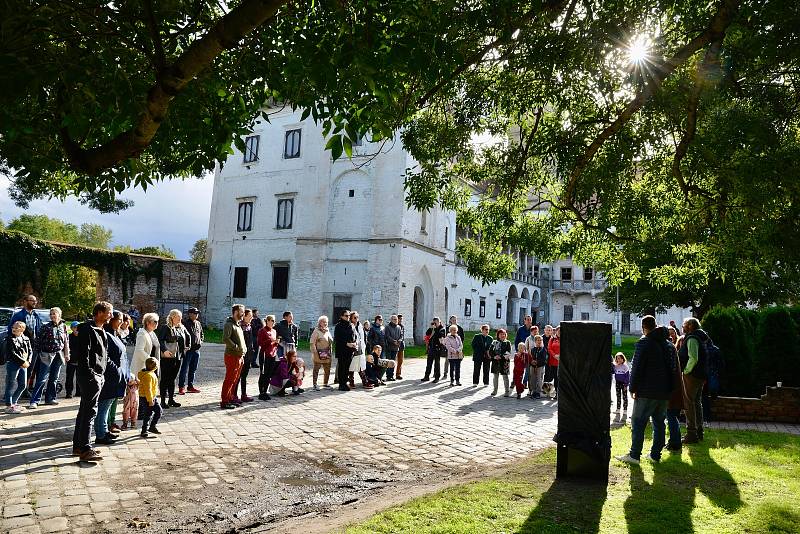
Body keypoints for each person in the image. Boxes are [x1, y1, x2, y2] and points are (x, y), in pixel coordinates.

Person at [616, 316, 674, 465]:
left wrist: (632, 387)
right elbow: (672, 368)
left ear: (644, 328)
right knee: (659, 422)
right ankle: (655, 455)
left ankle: (634, 455)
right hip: (664, 390)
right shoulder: (668, 344)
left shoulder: (644, 343)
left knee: (638, 421)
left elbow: (637, 368)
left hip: (647, 390)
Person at [72, 301, 113, 462]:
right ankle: (86, 448)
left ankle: (78, 446)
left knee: (84, 411)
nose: (110, 315)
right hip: (90, 377)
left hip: (98, 376)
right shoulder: (86, 329)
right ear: (99, 312)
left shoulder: (102, 329)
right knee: (90, 412)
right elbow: (84, 356)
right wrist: (92, 376)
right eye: (108, 312)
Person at [96, 312, 128, 445]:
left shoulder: (115, 334)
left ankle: (104, 430)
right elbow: (105, 357)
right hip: (110, 376)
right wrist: (117, 371)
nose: (121, 322)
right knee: (104, 406)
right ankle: (101, 434)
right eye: (119, 320)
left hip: (117, 377)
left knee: (108, 406)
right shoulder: (106, 334)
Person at [29, 307, 70, 408]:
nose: (52, 316)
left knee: (54, 378)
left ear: (59, 315)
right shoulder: (45, 327)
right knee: (42, 378)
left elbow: (66, 341)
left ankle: (50, 398)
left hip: (58, 355)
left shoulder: (63, 326)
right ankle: (34, 401)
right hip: (46, 355)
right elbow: (38, 342)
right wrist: (38, 355)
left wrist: (67, 354)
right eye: (51, 314)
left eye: (54, 314)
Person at [679, 317, 709, 444]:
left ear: (690, 326)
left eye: (684, 324)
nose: (682, 326)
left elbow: (693, 358)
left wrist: (686, 371)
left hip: (692, 375)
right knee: (696, 402)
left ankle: (691, 433)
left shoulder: (692, 338)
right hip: (700, 375)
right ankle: (699, 431)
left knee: (688, 403)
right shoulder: (700, 337)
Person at [157, 309, 190, 409]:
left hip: (178, 356)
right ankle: (162, 401)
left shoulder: (181, 327)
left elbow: (187, 337)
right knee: (165, 379)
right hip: (167, 357)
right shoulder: (165, 327)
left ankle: (171, 399)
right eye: (177, 316)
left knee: (172, 379)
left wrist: (186, 347)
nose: (180, 318)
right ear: (172, 317)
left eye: (180, 316)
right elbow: (160, 340)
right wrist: (164, 350)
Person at [4, 321, 33, 413]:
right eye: (13, 327)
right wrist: (22, 362)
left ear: (22, 329)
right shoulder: (10, 339)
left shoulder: (26, 338)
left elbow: (30, 351)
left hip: (24, 365)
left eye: (16, 328)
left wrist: (28, 361)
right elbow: (12, 353)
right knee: (10, 384)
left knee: (23, 385)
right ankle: (9, 405)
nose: (14, 329)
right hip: (13, 364)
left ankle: (14, 402)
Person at [221, 305, 246, 409]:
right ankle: (225, 401)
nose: (243, 314)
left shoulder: (238, 325)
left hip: (239, 357)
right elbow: (225, 338)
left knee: (235, 379)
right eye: (241, 312)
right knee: (229, 379)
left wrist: (242, 351)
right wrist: (236, 347)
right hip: (232, 356)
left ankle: (230, 398)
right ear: (236, 312)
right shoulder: (229, 324)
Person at [665, 330, 684, 452]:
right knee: (672, 416)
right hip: (674, 386)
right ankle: (675, 441)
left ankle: (675, 442)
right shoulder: (671, 347)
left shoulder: (668, 348)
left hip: (671, 388)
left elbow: (669, 369)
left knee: (671, 415)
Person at [179, 307, 204, 394]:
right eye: (194, 313)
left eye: (197, 313)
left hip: (196, 350)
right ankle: (181, 386)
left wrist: (201, 341)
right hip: (188, 350)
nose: (196, 315)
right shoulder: (185, 323)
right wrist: (185, 347)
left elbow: (201, 334)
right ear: (190, 314)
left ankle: (190, 386)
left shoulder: (198, 323)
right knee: (184, 369)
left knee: (193, 369)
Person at [138, 357, 163, 438]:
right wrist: (150, 400)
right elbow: (147, 389)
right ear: (155, 367)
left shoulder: (150, 373)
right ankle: (144, 430)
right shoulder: (148, 376)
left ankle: (152, 426)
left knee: (158, 411)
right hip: (147, 398)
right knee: (148, 414)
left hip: (151, 397)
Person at [257, 315, 279, 400]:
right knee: (263, 373)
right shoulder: (262, 331)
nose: (273, 322)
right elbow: (260, 343)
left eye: (274, 321)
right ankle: (261, 392)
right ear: (267, 321)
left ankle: (265, 391)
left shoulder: (274, 331)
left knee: (269, 374)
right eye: (271, 320)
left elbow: (274, 344)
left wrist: (276, 342)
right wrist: (270, 341)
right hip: (264, 354)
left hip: (272, 354)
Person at [334, 310, 357, 391]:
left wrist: (354, 343)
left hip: (350, 350)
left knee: (347, 367)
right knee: (342, 367)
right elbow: (337, 339)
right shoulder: (338, 326)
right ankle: (341, 384)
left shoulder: (351, 325)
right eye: (346, 316)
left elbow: (354, 336)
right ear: (341, 316)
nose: (348, 317)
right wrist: (347, 344)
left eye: (348, 316)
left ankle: (345, 382)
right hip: (342, 350)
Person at [309, 315, 334, 390]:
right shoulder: (316, 331)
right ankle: (315, 384)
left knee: (327, 369)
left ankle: (325, 383)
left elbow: (330, 340)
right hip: (318, 353)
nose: (325, 323)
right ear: (319, 322)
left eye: (326, 322)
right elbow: (312, 342)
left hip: (327, 353)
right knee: (316, 369)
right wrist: (315, 352)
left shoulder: (327, 330)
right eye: (323, 322)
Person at [237, 309, 256, 402]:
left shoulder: (249, 326)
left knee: (244, 376)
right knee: (238, 376)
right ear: (244, 316)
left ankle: (243, 394)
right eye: (250, 316)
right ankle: (234, 395)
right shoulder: (240, 326)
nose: (252, 317)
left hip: (248, 355)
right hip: (242, 354)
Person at [421, 317, 447, 382]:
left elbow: (441, 336)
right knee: (429, 363)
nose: (435, 324)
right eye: (434, 322)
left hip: (437, 348)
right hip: (431, 348)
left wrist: (435, 329)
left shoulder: (442, 329)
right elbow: (427, 334)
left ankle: (437, 377)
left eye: (436, 322)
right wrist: (431, 328)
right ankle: (426, 376)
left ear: (439, 322)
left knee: (437, 363)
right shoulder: (432, 328)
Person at [490, 329, 512, 397]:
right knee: (495, 376)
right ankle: (495, 390)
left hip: (504, 362)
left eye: (504, 334)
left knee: (505, 377)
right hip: (495, 362)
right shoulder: (494, 342)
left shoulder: (507, 342)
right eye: (501, 334)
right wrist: (494, 356)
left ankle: (507, 391)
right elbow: (490, 351)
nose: (503, 335)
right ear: (498, 335)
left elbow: (508, 352)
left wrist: (501, 357)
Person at [526, 334, 548, 399]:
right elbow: (531, 357)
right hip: (533, 367)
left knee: (539, 379)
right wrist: (532, 362)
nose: (539, 341)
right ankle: (533, 391)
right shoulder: (533, 349)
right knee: (533, 379)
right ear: (535, 341)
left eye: (540, 340)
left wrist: (538, 362)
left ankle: (538, 392)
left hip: (540, 367)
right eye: (538, 340)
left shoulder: (543, 350)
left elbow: (545, 359)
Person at [349, 311, 366, 388]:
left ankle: (364, 381)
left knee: (360, 365)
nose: (356, 319)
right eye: (354, 317)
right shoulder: (349, 326)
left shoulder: (360, 326)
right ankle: (351, 381)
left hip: (360, 348)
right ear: (351, 318)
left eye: (357, 317)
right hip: (352, 348)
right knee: (352, 365)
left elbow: (363, 337)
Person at [384, 315, 403, 381]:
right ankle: (388, 376)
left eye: (396, 319)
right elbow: (387, 336)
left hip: (396, 347)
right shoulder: (387, 327)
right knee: (389, 361)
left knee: (393, 362)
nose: (396, 320)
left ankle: (391, 375)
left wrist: (399, 341)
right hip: (389, 347)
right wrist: (393, 341)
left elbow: (401, 336)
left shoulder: (399, 327)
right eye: (394, 319)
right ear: (391, 320)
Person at [65, 321, 81, 398]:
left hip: (81, 361)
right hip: (71, 360)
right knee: (69, 377)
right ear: (71, 328)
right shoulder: (69, 337)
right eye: (75, 327)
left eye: (78, 327)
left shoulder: (83, 337)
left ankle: (79, 392)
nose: (76, 329)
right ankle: (69, 392)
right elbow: (66, 348)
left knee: (80, 377)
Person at [547, 325, 561, 400]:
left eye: (561, 330)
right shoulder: (552, 339)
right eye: (558, 330)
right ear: (556, 331)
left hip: (562, 362)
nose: (559, 332)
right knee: (555, 377)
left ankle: (561, 393)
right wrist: (555, 355)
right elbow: (549, 348)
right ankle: (556, 392)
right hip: (554, 361)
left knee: (561, 378)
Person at [396, 314, 406, 380]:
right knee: (393, 360)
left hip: (401, 345)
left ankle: (398, 374)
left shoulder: (402, 326)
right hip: (395, 345)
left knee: (400, 361)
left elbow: (402, 336)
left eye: (401, 319)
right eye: (399, 319)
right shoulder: (395, 326)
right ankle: (389, 375)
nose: (400, 320)